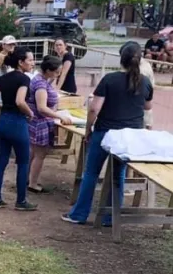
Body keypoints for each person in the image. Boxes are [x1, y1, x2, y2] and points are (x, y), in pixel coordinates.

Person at [64, 42, 153, 226]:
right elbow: (147, 106)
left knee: (91, 173)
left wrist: (88, 129)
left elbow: (94, 109)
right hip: (129, 135)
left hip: (105, 132)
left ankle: (79, 214)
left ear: (121, 58)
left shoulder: (110, 80)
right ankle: (110, 217)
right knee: (118, 175)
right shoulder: (144, 82)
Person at [0, 46, 37, 211]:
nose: (32, 62)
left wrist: (1, 107)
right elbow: (20, 101)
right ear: (21, 62)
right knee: (23, 162)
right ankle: (21, 201)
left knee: (1, 161)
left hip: (3, 123)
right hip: (17, 122)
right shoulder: (24, 79)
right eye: (30, 60)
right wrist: (30, 113)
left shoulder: (4, 77)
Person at [27, 55, 73, 193]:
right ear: (48, 70)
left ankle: (27, 178)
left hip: (37, 121)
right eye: (56, 72)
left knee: (34, 153)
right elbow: (42, 107)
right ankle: (33, 183)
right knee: (39, 155)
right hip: (40, 122)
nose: (58, 75)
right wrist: (59, 116)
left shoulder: (41, 79)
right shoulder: (40, 84)